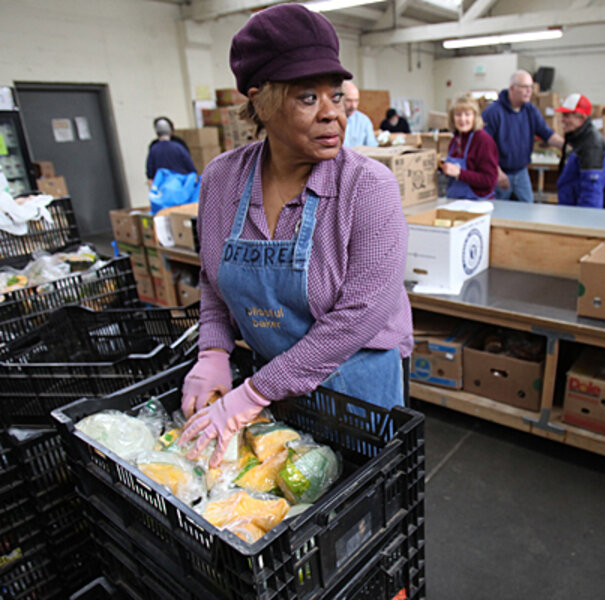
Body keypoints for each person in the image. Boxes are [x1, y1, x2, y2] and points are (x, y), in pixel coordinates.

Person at [178, 4, 413, 467]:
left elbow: (359, 316)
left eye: (337, 95)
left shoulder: (367, 187)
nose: (333, 115)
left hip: (353, 382)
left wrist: (253, 394)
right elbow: (213, 278)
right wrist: (212, 351)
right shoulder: (222, 180)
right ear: (260, 101)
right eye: (308, 98)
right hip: (269, 381)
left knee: (352, 499)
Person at [482, 70, 564, 203]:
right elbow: (483, 147)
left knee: (527, 210)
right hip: (500, 173)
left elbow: (547, 134)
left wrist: (568, 146)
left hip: (521, 172)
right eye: (524, 87)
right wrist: (496, 171)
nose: (529, 91)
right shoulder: (493, 113)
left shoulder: (530, 111)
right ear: (512, 88)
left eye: (530, 87)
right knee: (499, 211)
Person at [555, 94, 605, 208]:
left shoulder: (592, 144)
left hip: (581, 211)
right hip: (569, 207)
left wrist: (584, 219)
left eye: (567, 115)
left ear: (581, 118)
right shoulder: (575, 138)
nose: (562, 120)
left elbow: (591, 190)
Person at [440, 96, 498, 199]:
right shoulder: (455, 141)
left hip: (477, 203)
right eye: (458, 114)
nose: (463, 119)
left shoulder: (483, 140)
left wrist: (460, 173)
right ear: (452, 118)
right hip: (455, 201)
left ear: (474, 117)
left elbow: (490, 180)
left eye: (467, 114)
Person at [146, 117, 196, 186]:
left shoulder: (154, 148)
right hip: (180, 185)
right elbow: (190, 166)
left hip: (162, 186)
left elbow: (150, 172)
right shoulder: (179, 146)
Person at [341, 81, 377, 147]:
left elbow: (372, 147)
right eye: (349, 100)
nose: (353, 106)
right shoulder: (331, 120)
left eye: (356, 101)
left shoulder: (364, 121)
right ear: (340, 99)